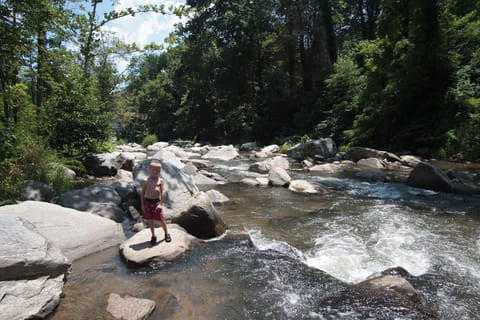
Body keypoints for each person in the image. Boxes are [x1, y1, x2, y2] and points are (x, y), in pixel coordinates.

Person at [141, 161, 171, 245]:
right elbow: (142, 193)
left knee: (161, 219)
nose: (155, 172)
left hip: (156, 202)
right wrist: (142, 205)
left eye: (157, 170)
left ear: (160, 171)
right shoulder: (146, 180)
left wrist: (160, 204)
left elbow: (163, 192)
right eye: (153, 169)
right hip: (148, 201)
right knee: (150, 220)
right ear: (150, 169)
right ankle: (153, 236)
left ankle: (166, 233)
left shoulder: (160, 181)